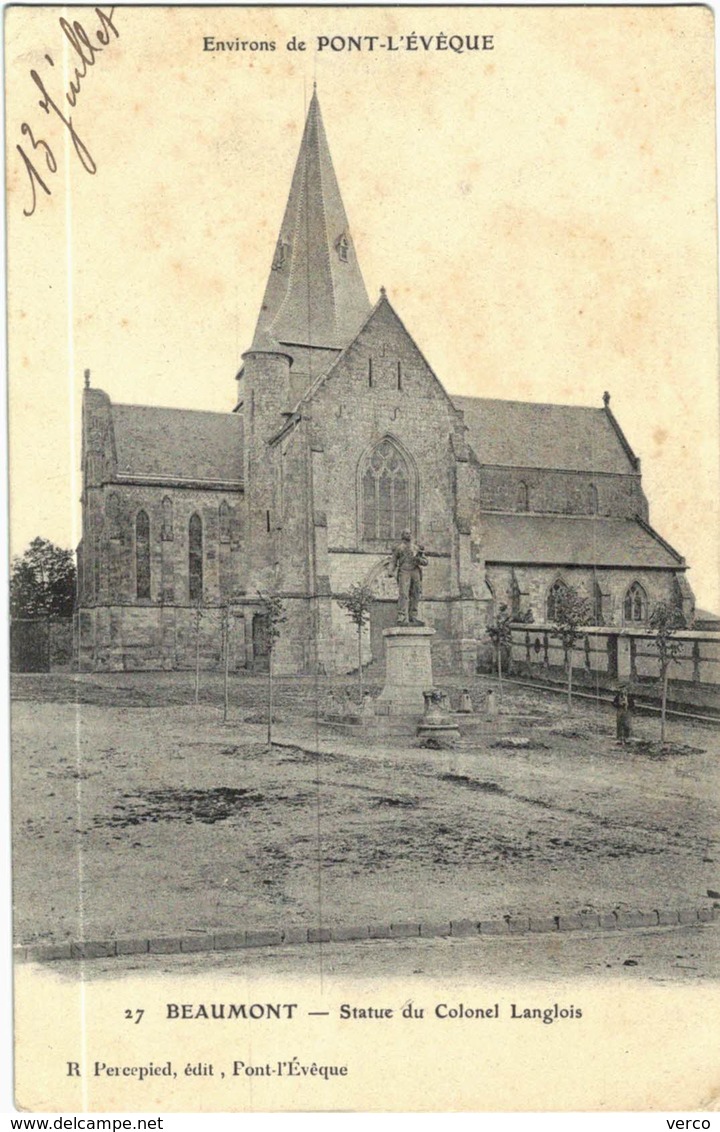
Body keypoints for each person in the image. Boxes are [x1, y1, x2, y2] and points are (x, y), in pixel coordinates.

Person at [387, 529, 428, 625]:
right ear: (402, 535)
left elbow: (425, 562)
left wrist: (418, 558)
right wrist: (390, 570)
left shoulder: (416, 548)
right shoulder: (399, 548)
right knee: (404, 594)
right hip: (404, 571)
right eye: (406, 533)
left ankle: (413, 616)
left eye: (410, 533)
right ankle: (402, 617)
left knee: (415, 594)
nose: (408, 535)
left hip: (415, 571)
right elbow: (393, 561)